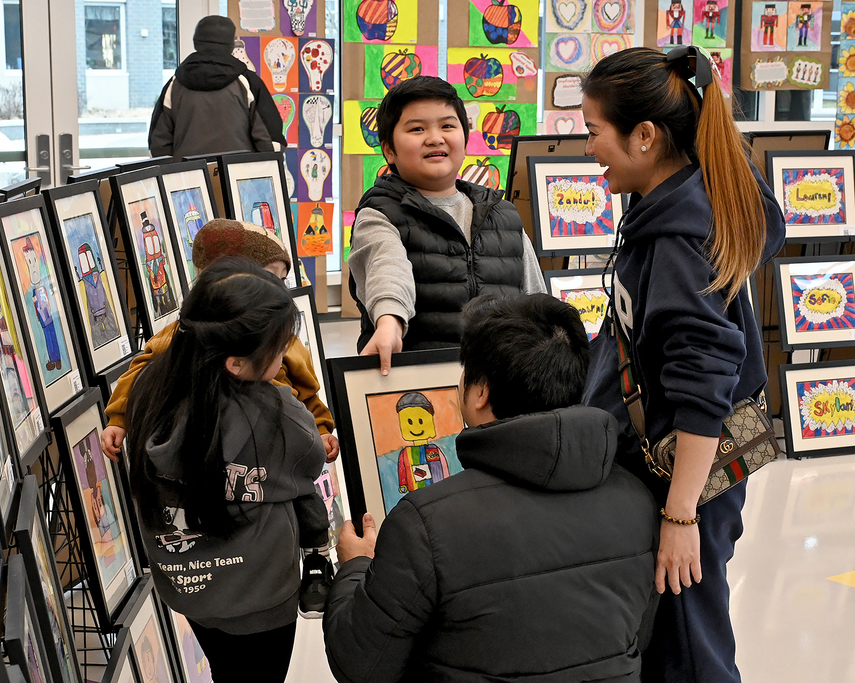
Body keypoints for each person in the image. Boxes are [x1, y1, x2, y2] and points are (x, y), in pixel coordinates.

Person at [580, 47, 786, 683]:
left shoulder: (678, 239)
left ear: (644, 135)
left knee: (688, 648)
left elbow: (703, 384)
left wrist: (680, 514)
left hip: (686, 476)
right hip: (690, 470)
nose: (589, 150)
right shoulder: (680, 203)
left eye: (594, 133)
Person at [324, 294, 659, 682]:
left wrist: (355, 567)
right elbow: (637, 637)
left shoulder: (424, 524)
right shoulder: (640, 502)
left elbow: (360, 666)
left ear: (480, 391)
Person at [102, 219, 338, 617]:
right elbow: (144, 368)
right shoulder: (186, 333)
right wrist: (119, 417)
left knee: (305, 496)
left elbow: (308, 387)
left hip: (278, 447)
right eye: (266, 281)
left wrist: (321, 426)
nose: (274, 294)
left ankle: (316, 556)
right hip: (216, 448)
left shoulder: (285, 340)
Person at [126, 258, 326, 682]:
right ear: (235, 363)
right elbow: (310, 461)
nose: (285, 353)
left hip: (189, 587)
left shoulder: (147, 390)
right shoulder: (276, 412)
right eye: (280, 347)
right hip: (261, 595)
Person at [347, 76, 546, 375]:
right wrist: (389, 321)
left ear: (465, 139)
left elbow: (535, 298)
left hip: (501, 383)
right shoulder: (379, 213)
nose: (435, 138)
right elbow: (386, 267)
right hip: (420, 384)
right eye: (417, 129)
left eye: (447, 126)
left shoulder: (503, 214)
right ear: (389, 150)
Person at [148, 15, 286, 159]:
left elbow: (158, 146)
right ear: (231, 45)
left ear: (196, 42)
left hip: (188, 178)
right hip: (237, 177)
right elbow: (270, 142)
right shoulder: (248, 82)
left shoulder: (174, 84)